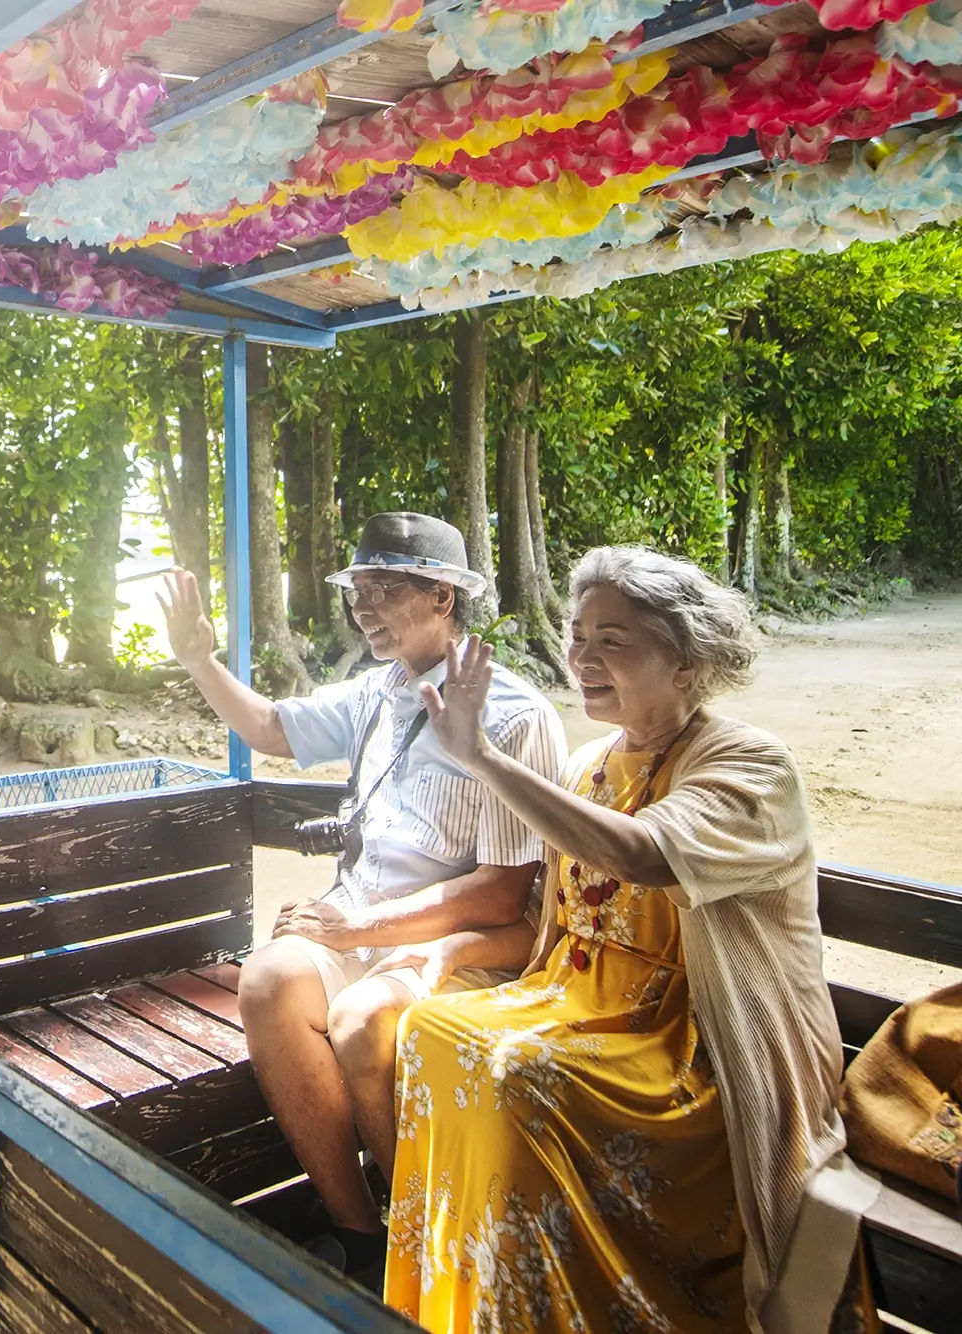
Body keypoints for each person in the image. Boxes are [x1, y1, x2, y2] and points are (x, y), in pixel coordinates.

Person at [388, 546, 877, 1333]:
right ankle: (477, 1305)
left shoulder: (750, 765)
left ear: (686, 663)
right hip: (579, 1010)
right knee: (428, 1027)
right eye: (578, 635)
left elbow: (640, 855)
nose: (582, 657)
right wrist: (450, 952)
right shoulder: (587, 766)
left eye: (612, 640)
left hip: (698, 1048)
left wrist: (480, 757)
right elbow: (561, 933)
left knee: (516, 1073)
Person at [158, 511, 566, 1277]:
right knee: (270, 978)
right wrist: (199, 662)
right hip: (359, 930)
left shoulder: (514, 717)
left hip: (450, 948)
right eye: (358, 590)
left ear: (444, 597)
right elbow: (273, 728)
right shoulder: (377, 694)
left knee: (358, 1017)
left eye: (384, 589)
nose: (362, 607)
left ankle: (428, 1254)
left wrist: (359, 927)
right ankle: (361, 1238)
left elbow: (504, 895)